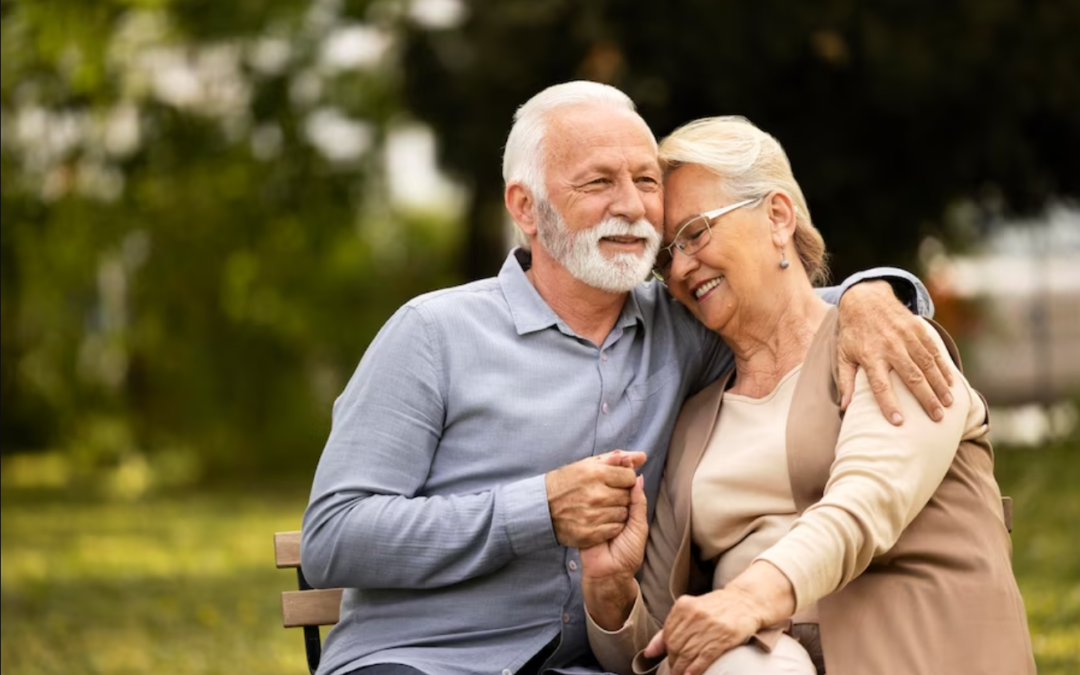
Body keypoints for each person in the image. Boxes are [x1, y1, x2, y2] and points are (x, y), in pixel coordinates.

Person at [300, 82, 952, 675]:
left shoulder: (686, 324)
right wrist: (538, 510)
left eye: (645, 180)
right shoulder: (432, 335)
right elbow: (331, 538)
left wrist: (875, 294)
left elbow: (790, 308)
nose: (633, 206)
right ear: (526, 207)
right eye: (598, 182)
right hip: (418, 662)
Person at [581, 116, 1036, 675]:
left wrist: (745, 603)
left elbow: (863, 505)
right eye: (666, 254)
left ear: (777, 217)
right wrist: (609, 589)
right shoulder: (695, 419)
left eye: (696, 233)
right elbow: (655, 647)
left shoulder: (887, 342)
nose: (679, 268)